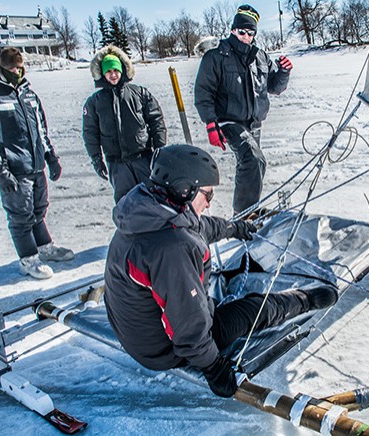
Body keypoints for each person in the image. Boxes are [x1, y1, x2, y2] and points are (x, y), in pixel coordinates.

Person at [104, 144, 338, 398]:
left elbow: (198, 226)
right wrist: (214, 367)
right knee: (252, 310)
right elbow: (188, 329)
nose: (209, 203)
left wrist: (233, 229)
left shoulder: (146, 213)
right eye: (208, 195)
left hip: (137, 335)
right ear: (185, 190)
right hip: (163, 350)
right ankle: (305, 299)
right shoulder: (173, 247)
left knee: (211, 289)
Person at [0, 47, 74, 280]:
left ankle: (44, 247)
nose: (17, 71)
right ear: (0, 68)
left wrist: (51, 157)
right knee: (20, 214)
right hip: (13, 169)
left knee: (38, 209)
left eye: (19, 67)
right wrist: (1, 171)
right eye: (11, 68)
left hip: (35, 164)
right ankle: (28, 259)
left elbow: (41, 130)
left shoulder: (28, 94)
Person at [194, 4, 292, 216]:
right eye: (241, 32)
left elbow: (275, 87)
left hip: (254, 122)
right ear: (233, 30)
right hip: (229, 121)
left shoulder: (260, 56)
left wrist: (283, 71)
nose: (245, 37)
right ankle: (244, 214)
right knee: (253, 158)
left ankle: (249, 209)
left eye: (250, 33)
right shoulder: (216, 56)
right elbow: (203, 92)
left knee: (255, 163)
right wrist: (210, 123)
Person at [82, 45, 167, 203]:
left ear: (122, 70)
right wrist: (96, 159)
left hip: (143, 158)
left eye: (115, 70)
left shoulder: (140, 93)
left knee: (154, 199)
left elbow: (156, 122)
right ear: (102, 73)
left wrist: (159, 151)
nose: (113, 75)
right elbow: (90, 134)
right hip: (117, 164)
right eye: (108, 71)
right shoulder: (94, 102)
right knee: (126, 204)